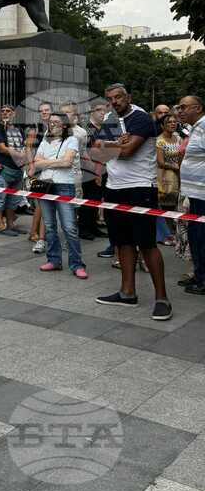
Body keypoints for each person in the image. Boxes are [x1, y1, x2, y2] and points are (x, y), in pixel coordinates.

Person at [93, 84, 170, 321]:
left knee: (147, 244)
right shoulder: (110, 119)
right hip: (114, 187)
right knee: (123, 242)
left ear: (129, 97)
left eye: (118, 97)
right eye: (110, 99)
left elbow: (128, 152)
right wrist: (118, 143)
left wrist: (112, 146)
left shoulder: (141, 118)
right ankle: (127, 293)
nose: (115, 102)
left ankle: (162, 299)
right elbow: (95, 152)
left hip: (140, 188)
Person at [31, 114, 87, 278]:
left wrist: (46, 162)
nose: (52, 124)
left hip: (64, 186)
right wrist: (56, 162)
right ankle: (54, 260)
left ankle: (77, 264)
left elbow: (67, 162)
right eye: (50, 122)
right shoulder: (44, 141)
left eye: (56, 122)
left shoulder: (71, 140)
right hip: (45, 185)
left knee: (69, 227)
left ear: (64, 125)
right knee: (49, 226)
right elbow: (36, 163)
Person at [177, 95, 205, 296]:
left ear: (198, 108)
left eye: (184, 107)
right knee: (195, 236)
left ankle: (203, 280)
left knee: (202, 237)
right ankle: (199, 273)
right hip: (194, 193)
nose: (180, 111)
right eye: (179, 107)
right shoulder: (194, 128)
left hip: (203, 194)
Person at [0, 104, 29, 236]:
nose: (5, 113)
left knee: (14, 199)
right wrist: (22, 155)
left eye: (8, 111)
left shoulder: (19, 130)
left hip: (17, 170)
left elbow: (24, 146)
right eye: (3, 111)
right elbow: (2, 149)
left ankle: (11, 225)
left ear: (14, 114)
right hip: (2, 169)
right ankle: (1, 226)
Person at [27, 101, 54, 253]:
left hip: (51, 168)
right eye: (41, 110)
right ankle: (34, 232)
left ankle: (39, 232)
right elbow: (28, 148)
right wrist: (31, 166)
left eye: (46, 110)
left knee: (45, 201)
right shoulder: (35, 128)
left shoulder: (55, 126)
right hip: (38, 169)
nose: (44, 112)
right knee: (40, 202)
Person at [80, 102, 109, 242]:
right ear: (92, 111)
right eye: (99, 110)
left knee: (97, 199)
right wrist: (94, 170)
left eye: (104, 110)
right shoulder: (86, 128)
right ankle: (84, 228)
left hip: (103, 168)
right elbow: (84, 151)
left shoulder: (104, 129)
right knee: (88, 199)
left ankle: (93, 226)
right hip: (89, 170)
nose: (102, 113)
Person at [156, 113, 181, 246]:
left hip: (178, 174)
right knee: (165, 201)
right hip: (165, 174)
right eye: (169, 122)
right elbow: (160, 162)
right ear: (162, 126)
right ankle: (166, 234)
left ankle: (173, 233)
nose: (173, 124)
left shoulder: (178, 137)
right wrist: (174, 166)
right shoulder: (160, 140)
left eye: (174, 122)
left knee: (176, 202)